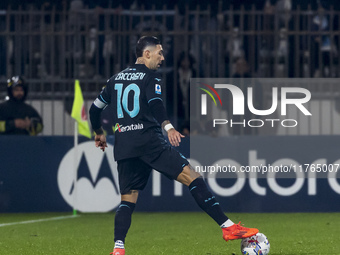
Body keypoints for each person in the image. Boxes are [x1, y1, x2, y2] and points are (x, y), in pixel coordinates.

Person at [89, 36, 258, 255]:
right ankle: (228, 227)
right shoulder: (150, 77)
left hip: (125, 144)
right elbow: (155, 102)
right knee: (193, 177)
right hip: (149, 141)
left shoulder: (114, 79)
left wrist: (99, 133)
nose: (162, 57)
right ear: (147, 53)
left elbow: (94, 110)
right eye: (159, 52)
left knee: (127, 200)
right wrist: (168, 126)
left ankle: (118, 248)